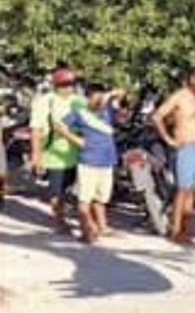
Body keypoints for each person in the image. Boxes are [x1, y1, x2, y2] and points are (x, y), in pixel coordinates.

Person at [151, 69, 195, 244]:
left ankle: (187, 227)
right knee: (182, 189)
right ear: (192, 80)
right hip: (185, 146)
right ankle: (176, 230)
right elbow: (157, 116)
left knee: (192, 189)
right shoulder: (180, 96)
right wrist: (168, 139)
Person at [56, 84, 124, 243]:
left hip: (107, 160)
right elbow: (60, 126)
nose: (99, 100)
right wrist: (76, 140)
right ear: (88, 97)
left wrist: (110, 94)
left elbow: (121, 93)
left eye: (101, 96)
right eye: (96, 96)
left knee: (101, 198)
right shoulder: (80, 113)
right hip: (89, 161)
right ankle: (87, 231)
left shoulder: (107, 110)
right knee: (85, 199)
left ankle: (103, 227)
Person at [29, 68, 86, 232]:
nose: (68, 88)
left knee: (68, 187)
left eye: (71, 84)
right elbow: (36, 130)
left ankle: (64, 215)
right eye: (64, 84)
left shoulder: (79, 101)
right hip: (53, 154)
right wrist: (36, 156)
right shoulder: (46, 101)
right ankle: (58, 221)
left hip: (77, 153)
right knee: (57, 190)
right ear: (56, 85)